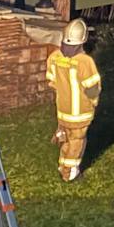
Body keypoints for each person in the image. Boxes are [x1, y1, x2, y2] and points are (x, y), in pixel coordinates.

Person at [45, 19, 101, 181]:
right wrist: (94, 102)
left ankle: (63, 164)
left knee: (67, 139)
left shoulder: (54, 57)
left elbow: (52, 81)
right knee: (77, 141)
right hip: (80, 113)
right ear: (83, 40)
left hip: (62, 111)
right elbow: (92, 88)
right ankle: (69, 173)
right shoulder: (85, 62)